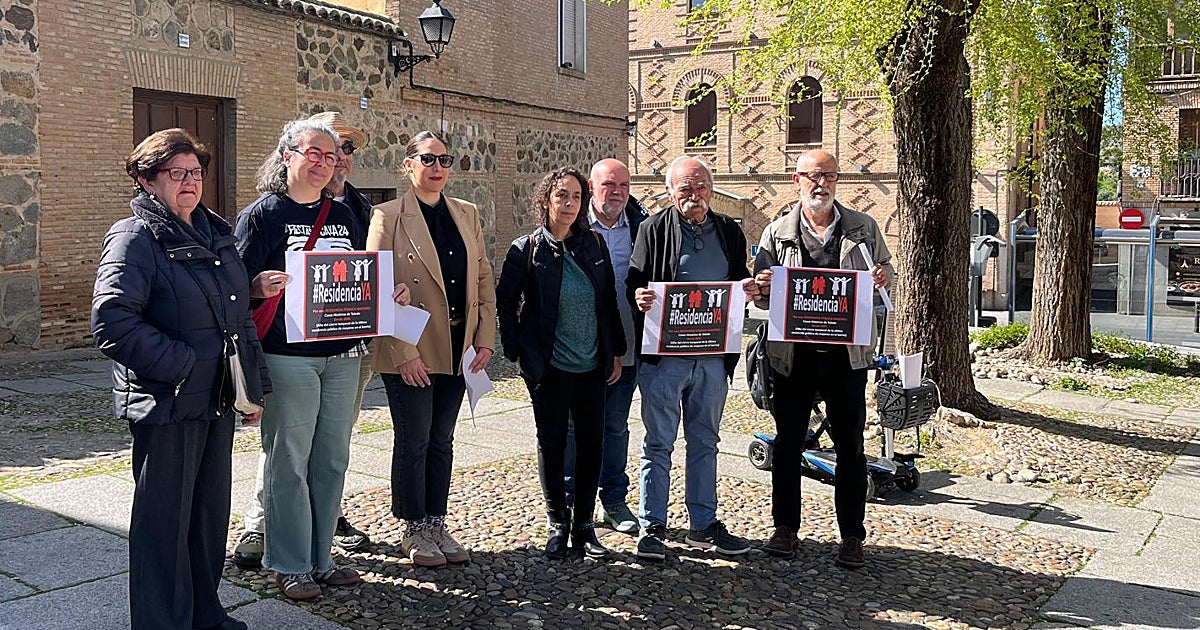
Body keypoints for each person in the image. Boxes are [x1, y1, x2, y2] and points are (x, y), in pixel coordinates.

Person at [93, 128, 268, 630]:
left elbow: (237, 317)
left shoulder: (216, 232)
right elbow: (112, 321)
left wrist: (250, 387)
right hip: (167, 403)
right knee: (164, 526)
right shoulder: (134, 236)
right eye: (177, 174)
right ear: (148, 180)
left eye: (195, 173)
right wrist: (185, 364)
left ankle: (203, 615)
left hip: (214, 399)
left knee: (208, 520)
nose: (190, 182)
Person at [235, 118, 400, 600]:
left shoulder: (346, 213)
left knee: (332, 458)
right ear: (288, 156)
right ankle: (290, 563)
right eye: (314, 153)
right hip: (287, 355)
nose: (324, 163)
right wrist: (254, 286)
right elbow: (233, 285)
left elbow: (358, 277)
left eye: (330, 157)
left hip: (343, 353)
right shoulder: (264, 215)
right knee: (288, 456)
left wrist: (388, 296)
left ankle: (322, 556)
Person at [752, 149, 893, 568]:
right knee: (789, 443)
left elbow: (884, 281)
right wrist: (760, 286)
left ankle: (852, 536)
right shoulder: (777, 233)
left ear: (837, 181)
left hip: (846, 358)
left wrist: (884, 276)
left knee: (850, 447)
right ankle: (785, 528)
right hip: (792, 359)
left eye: (828, 176)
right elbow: (762, 296)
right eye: (812, 176)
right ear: (796, 181)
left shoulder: (863, 228)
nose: (821, 184)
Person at [368, 131, 496, 567]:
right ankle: (413, 527)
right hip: (414, 346)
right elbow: (377, 287)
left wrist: (485, 339)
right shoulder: (386, 216)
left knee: (442, 438)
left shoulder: (468, 213)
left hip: (458, 345)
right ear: (408, 164)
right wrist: (404, 354)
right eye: (427, 159)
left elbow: (482, 279)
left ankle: (436, 521)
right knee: (415, 438)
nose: (437, 167)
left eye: (444, 159)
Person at [627, 156, 760, 561]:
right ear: (670, 191)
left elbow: (739, 277)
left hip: (712, 359)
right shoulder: (652, 229)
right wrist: (639, 296)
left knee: (705, 441)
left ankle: (703, 524)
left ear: (711, 189)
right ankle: (653, 526)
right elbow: (635, 278)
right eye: (685, 187)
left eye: (701, 186)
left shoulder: (729, 231)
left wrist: (749, 288)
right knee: (658, 444)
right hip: (665, 359)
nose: (694, 194)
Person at [496, 168, 626, 559]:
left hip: (592, 365)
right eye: (561, 196)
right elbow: (506, 301)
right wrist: (517, 350)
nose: (569, 204)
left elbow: (608, 302)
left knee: (592, 444)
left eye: (575, 197)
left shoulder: (595, 246)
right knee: (552, 444)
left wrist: (615, 350)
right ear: (546, 200)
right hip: (548, 367)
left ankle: (584, 526)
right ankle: (558, 521)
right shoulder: (527, 249)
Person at [562, 158, 646, 535]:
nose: (616, 192)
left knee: (614, 427)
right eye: (608, 185)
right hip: (577, 348)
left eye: (623, 186)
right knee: (571, 429)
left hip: (626, 348)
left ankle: (613, 499)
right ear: (592, 188)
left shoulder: (644, 228)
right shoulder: (569, 227)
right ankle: (565, 503)